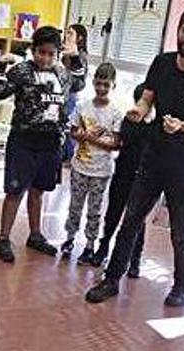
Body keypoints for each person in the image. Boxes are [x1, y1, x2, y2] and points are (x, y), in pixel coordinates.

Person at [85, 6, 184, 306]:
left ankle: (182, 286)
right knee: (131, 219)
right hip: (154, 157)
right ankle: (111, 279)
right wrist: (139, 109)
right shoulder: (161, 63)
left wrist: (182, 125)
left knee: (179, 231)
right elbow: (147, 97)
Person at [0, 26, 86, 263]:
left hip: (50, 142)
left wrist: (74, 54)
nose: (45, 58)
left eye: (50, 54)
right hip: (23, 140)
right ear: (33, 51)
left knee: (39, 191)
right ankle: (4, 237)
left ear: (57, 54)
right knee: (15, 191)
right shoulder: (22, 71)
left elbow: (81, 81)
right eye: (40, 52)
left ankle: (35, 234)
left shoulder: (63, 74)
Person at [60, 62, 123, 265]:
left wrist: (88, 137)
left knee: (94, 211)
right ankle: (69, 239)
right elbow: (73, 131)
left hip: (101, 171)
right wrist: (87, 136)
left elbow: (114, 144)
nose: (102, 88)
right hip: (79, 167)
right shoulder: (82, 106)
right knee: (75, 206)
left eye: (106, 85)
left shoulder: (115, 113)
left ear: (113, 85)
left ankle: (89, 245)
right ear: (93, 82)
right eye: (98, 83)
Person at [90, 82, 156, 273]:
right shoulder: (128, 120)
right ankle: (103, 248)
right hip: (123, 173)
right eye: (138, 102)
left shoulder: (154, 126)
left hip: (143, 178)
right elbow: (120, 142)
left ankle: (135, 259)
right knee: (113, 213)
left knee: (137, 219)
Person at [61, 23, 90, 166]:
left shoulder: (80, 56)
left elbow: (79, 81)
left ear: (79, 38)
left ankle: (69, 157)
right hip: (61, 93)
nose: (66, 36)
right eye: (66, 33)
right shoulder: (63, 52)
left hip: (71, 95)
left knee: (67, 125)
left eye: (70, 33)